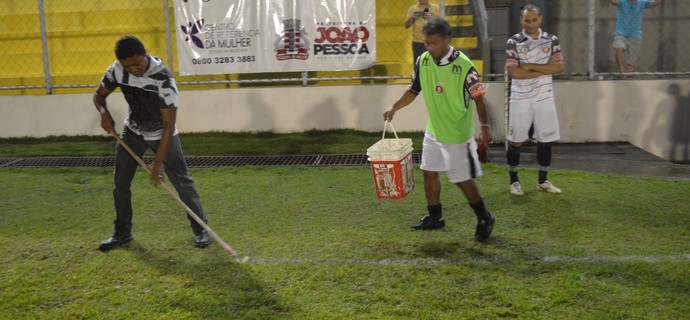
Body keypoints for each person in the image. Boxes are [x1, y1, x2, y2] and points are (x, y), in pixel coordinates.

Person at [93, 35, 211, 251]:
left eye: (136, 63)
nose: (133, 69)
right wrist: (103, 113)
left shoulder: (163, 79)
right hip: (133, 131)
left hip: (162, 133)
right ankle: (122, 232)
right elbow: (99, 96)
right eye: (128, 66)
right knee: (120, 183)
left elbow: (168, 125)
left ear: (145, 54)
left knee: (182, 182)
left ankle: (201, 228)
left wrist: (158, 163)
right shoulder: (118, 70)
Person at [383, 18, 495, 242]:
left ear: (447, 40)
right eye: (426, 43)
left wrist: (484, 126)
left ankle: (484, 217)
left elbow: (479, 99)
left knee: (461, 179)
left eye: (434, 43)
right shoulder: (423, 61)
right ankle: (436, 217)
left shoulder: (464, 66)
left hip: (457, 135)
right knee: (429, 172)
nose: (429, 47)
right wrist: (394, 107)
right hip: (434, 130)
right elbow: (413, 90)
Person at [505, 4, 564, 196]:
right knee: (516, 141)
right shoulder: (513, 41)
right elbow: (515, 72)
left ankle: (543, 181)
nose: (530, 24)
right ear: (521, 21)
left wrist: (529, 65)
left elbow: (558, 68)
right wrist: (543, 67)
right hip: (520, 97)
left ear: (540, 19)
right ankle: (514, 182)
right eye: (526, 20)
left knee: (545, 140)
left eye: (534, 19)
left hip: (544, 95)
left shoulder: (552, 40)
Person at [610, 0, 662, 78]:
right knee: (619, 48)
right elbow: (613, 1)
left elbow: (657, 2)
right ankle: (621, 71)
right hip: (621, 33)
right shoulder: (622, 2)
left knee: (631, 63)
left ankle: (628, 78)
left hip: (635, 36)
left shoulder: (642, 2)